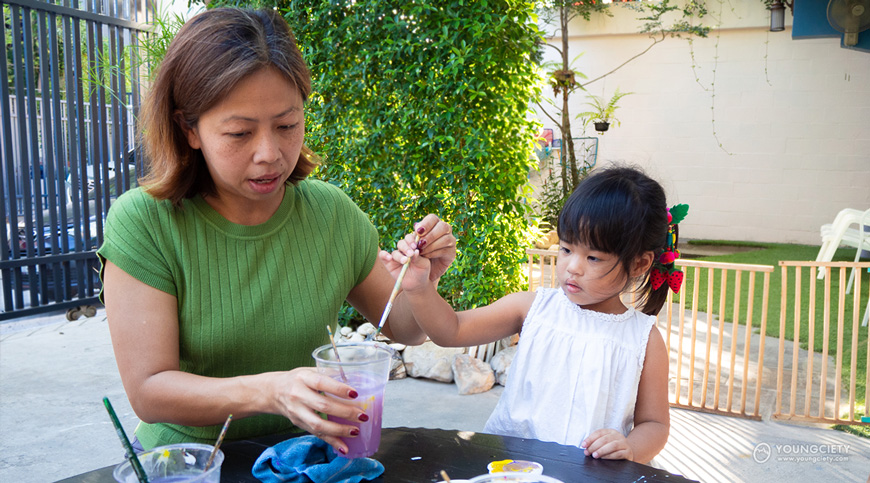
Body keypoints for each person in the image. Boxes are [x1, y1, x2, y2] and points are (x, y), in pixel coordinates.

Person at [97, 8, 455, 455]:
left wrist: (421, 285)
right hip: (192, 463)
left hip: (306, 457)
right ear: (189, 129)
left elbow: (406, 328)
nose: (269, 153)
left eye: (287, 125)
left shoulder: (331, 214)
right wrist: (270, 392)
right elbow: (150, 391)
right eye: (239, 133)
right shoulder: (145, 223)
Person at [384, 165, 675, 464]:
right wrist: (419, 287)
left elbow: (655, 424)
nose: (573, 266)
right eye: (565, 249)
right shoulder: (533, 308)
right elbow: (451, 330)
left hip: (592, 474)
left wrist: (630, 448)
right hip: (513, 466)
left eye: (593, 257)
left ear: (640, 264)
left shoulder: (643, 339)